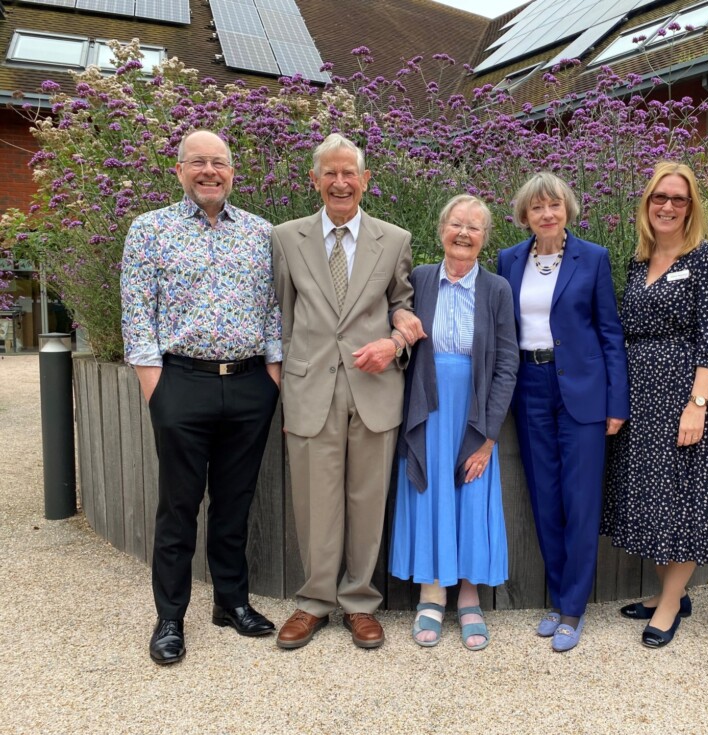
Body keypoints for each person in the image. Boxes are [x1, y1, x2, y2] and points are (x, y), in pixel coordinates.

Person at [121, 129, 281, 665]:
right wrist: (155, 389)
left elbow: (276, 310)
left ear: (233, 172)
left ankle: (231, 603)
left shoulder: (262, 233)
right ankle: (170, 617)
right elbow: (137, 314)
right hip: (180, 382)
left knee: (235, 503)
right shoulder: (149, 230)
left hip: (249, 383)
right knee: (179, 505)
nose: (209, 171)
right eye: (198, 163)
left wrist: (273, 380)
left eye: (219, 163)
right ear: (180, 170)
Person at [272, 133, 423, 650]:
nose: (340, 182)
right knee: (315, 501)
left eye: (349, 173)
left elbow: (404, 305)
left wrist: (396, 340)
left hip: (375, 389)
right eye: (329, 174)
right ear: (313, 181)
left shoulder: (395, 239)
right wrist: (287, 382)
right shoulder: (286, 238)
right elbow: (283, 318)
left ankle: (359, 602)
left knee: (367, 500)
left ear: (365, 181)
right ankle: (314, 601)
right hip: (310, 389)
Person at [601, 162, 708, 648]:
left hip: (683, 394)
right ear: (648, 203)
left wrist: (697, 403)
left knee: (680, 497)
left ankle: (672, 602)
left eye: (679, 199)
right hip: (638, 396)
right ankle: (670, 594)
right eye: (660, 197)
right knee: (647, 498)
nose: (668, 206)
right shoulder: (639, 261)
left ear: (691, 207)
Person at [497, 172, 629, 652]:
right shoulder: (508, 260)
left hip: (583, 391)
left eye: (554, 205)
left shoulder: (592, 257)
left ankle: (574, 606)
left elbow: (610, 332)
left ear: (568, 209)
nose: (547, 214)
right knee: (545, 496)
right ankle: (557, 598)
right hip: (529, 385)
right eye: (537, 208)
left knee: (579, 498)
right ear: (525, 216)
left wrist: (617, 402)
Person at [389, 195, 518, 650]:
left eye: (474, 227)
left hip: (475, 409)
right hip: (426, 404)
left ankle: (468, 595)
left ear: (485, 238)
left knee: (470, 491)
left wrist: (487, 438)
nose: (464, 234)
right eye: (456, 224)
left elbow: (506, 364)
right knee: (430, 492)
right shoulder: (421, 279)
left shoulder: (497, 289)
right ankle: (431, 592)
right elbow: (394, 315)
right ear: (441, 229)